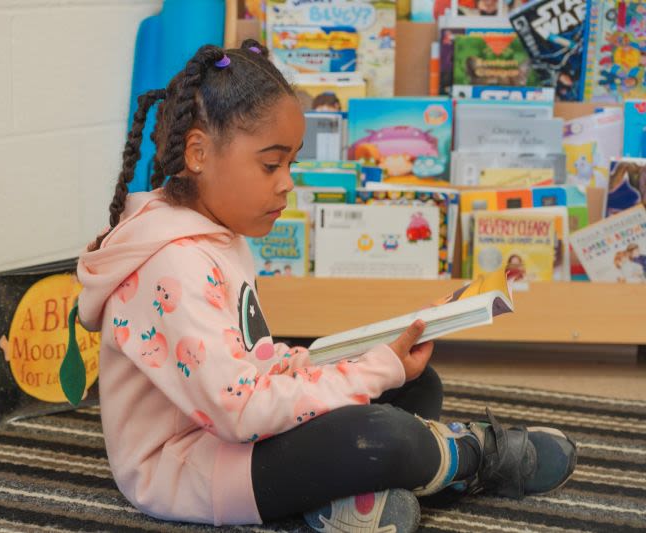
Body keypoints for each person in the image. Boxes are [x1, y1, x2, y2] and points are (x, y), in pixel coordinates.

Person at [74, 40, 576, 533]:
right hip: (193, 468)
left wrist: (370, 356)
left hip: (239, 432)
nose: (287, 182)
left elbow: (254, 360)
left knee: (415, 382)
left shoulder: (218, 234)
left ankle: (353, 497)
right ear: (199, 153)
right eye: (271, 165)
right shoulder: (173, 265)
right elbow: (241, 411)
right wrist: (371, 371)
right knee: (384, 433)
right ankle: (467, 457)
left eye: (289, 164)